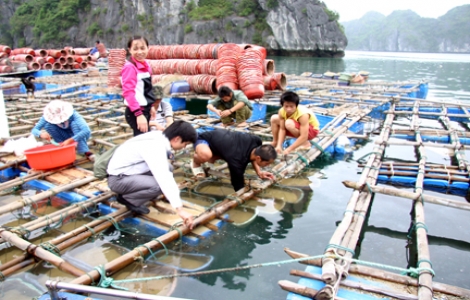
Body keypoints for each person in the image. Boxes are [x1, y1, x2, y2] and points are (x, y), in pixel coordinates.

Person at [107, 121, 197, 228]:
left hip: (128, 172)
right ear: (176, 138)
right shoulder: (154, 146)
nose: (184, 147)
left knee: (169, 167)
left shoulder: (159, 136)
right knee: (160, 185)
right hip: (118, 180)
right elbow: (164, 178)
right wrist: (180, 209)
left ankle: (138, 193)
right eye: (185, 144)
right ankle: (128, 199)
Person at [192, 129, 277, 191]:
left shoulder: (257, 141)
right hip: (204, 139)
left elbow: (253, 157)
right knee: (205, 155)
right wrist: (243, 194)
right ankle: (195, 163)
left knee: (225, 152)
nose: (268, 165)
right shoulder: (237, 160)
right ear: (259, 158)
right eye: (267, 163)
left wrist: (259, 172)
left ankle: (211, 158)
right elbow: (237, 183)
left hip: (221, 142)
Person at [121, 36, 157, 136]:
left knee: (144, 139)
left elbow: (147, 88)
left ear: (147, 48)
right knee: (143, 141)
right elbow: (128, 93)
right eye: (135, 49)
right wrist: (138, 114)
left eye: (142, 48)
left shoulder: (146, 65)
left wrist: (151, 106)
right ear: (130, 50)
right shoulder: (130, 67)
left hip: (145, 109)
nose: (139, 52)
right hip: (136, 111)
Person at [270, 91, 320, 155]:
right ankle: (275, 142)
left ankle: (305, 143)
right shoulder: (281, 111)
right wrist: (279, 145)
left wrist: (289, 149)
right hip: (295, 127)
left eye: (291, 106)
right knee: (274, 118)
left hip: (311, 131)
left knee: (288, 123)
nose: (288, 109)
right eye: (286, 106)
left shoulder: (303, 114)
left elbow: (304, 136)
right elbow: (282, 129)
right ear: (282, 105)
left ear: (296, 105)